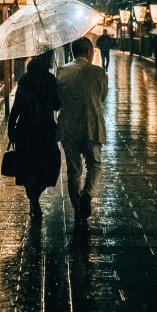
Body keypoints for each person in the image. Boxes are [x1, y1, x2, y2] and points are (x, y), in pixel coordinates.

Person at [57, 37, 108, 223]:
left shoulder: (61, 71)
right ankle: (87, 194)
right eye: (92, 50)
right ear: (87, 50)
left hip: (68, 126)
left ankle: (77, 206)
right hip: (92, 125)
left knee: (74, 170)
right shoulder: (99, 72)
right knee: (94, 164)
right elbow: (101, 97)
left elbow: (59, 99)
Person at [7, 50, 61, 220]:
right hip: (45, 129)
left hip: (25, 129)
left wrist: (10, 127)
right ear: (48, 59)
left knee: (29, 166)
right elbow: (57, 106)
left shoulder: (25, 78)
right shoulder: (50, 79)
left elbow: (16, 106)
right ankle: (35, 198)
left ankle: (33, 200)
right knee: (48, 164)